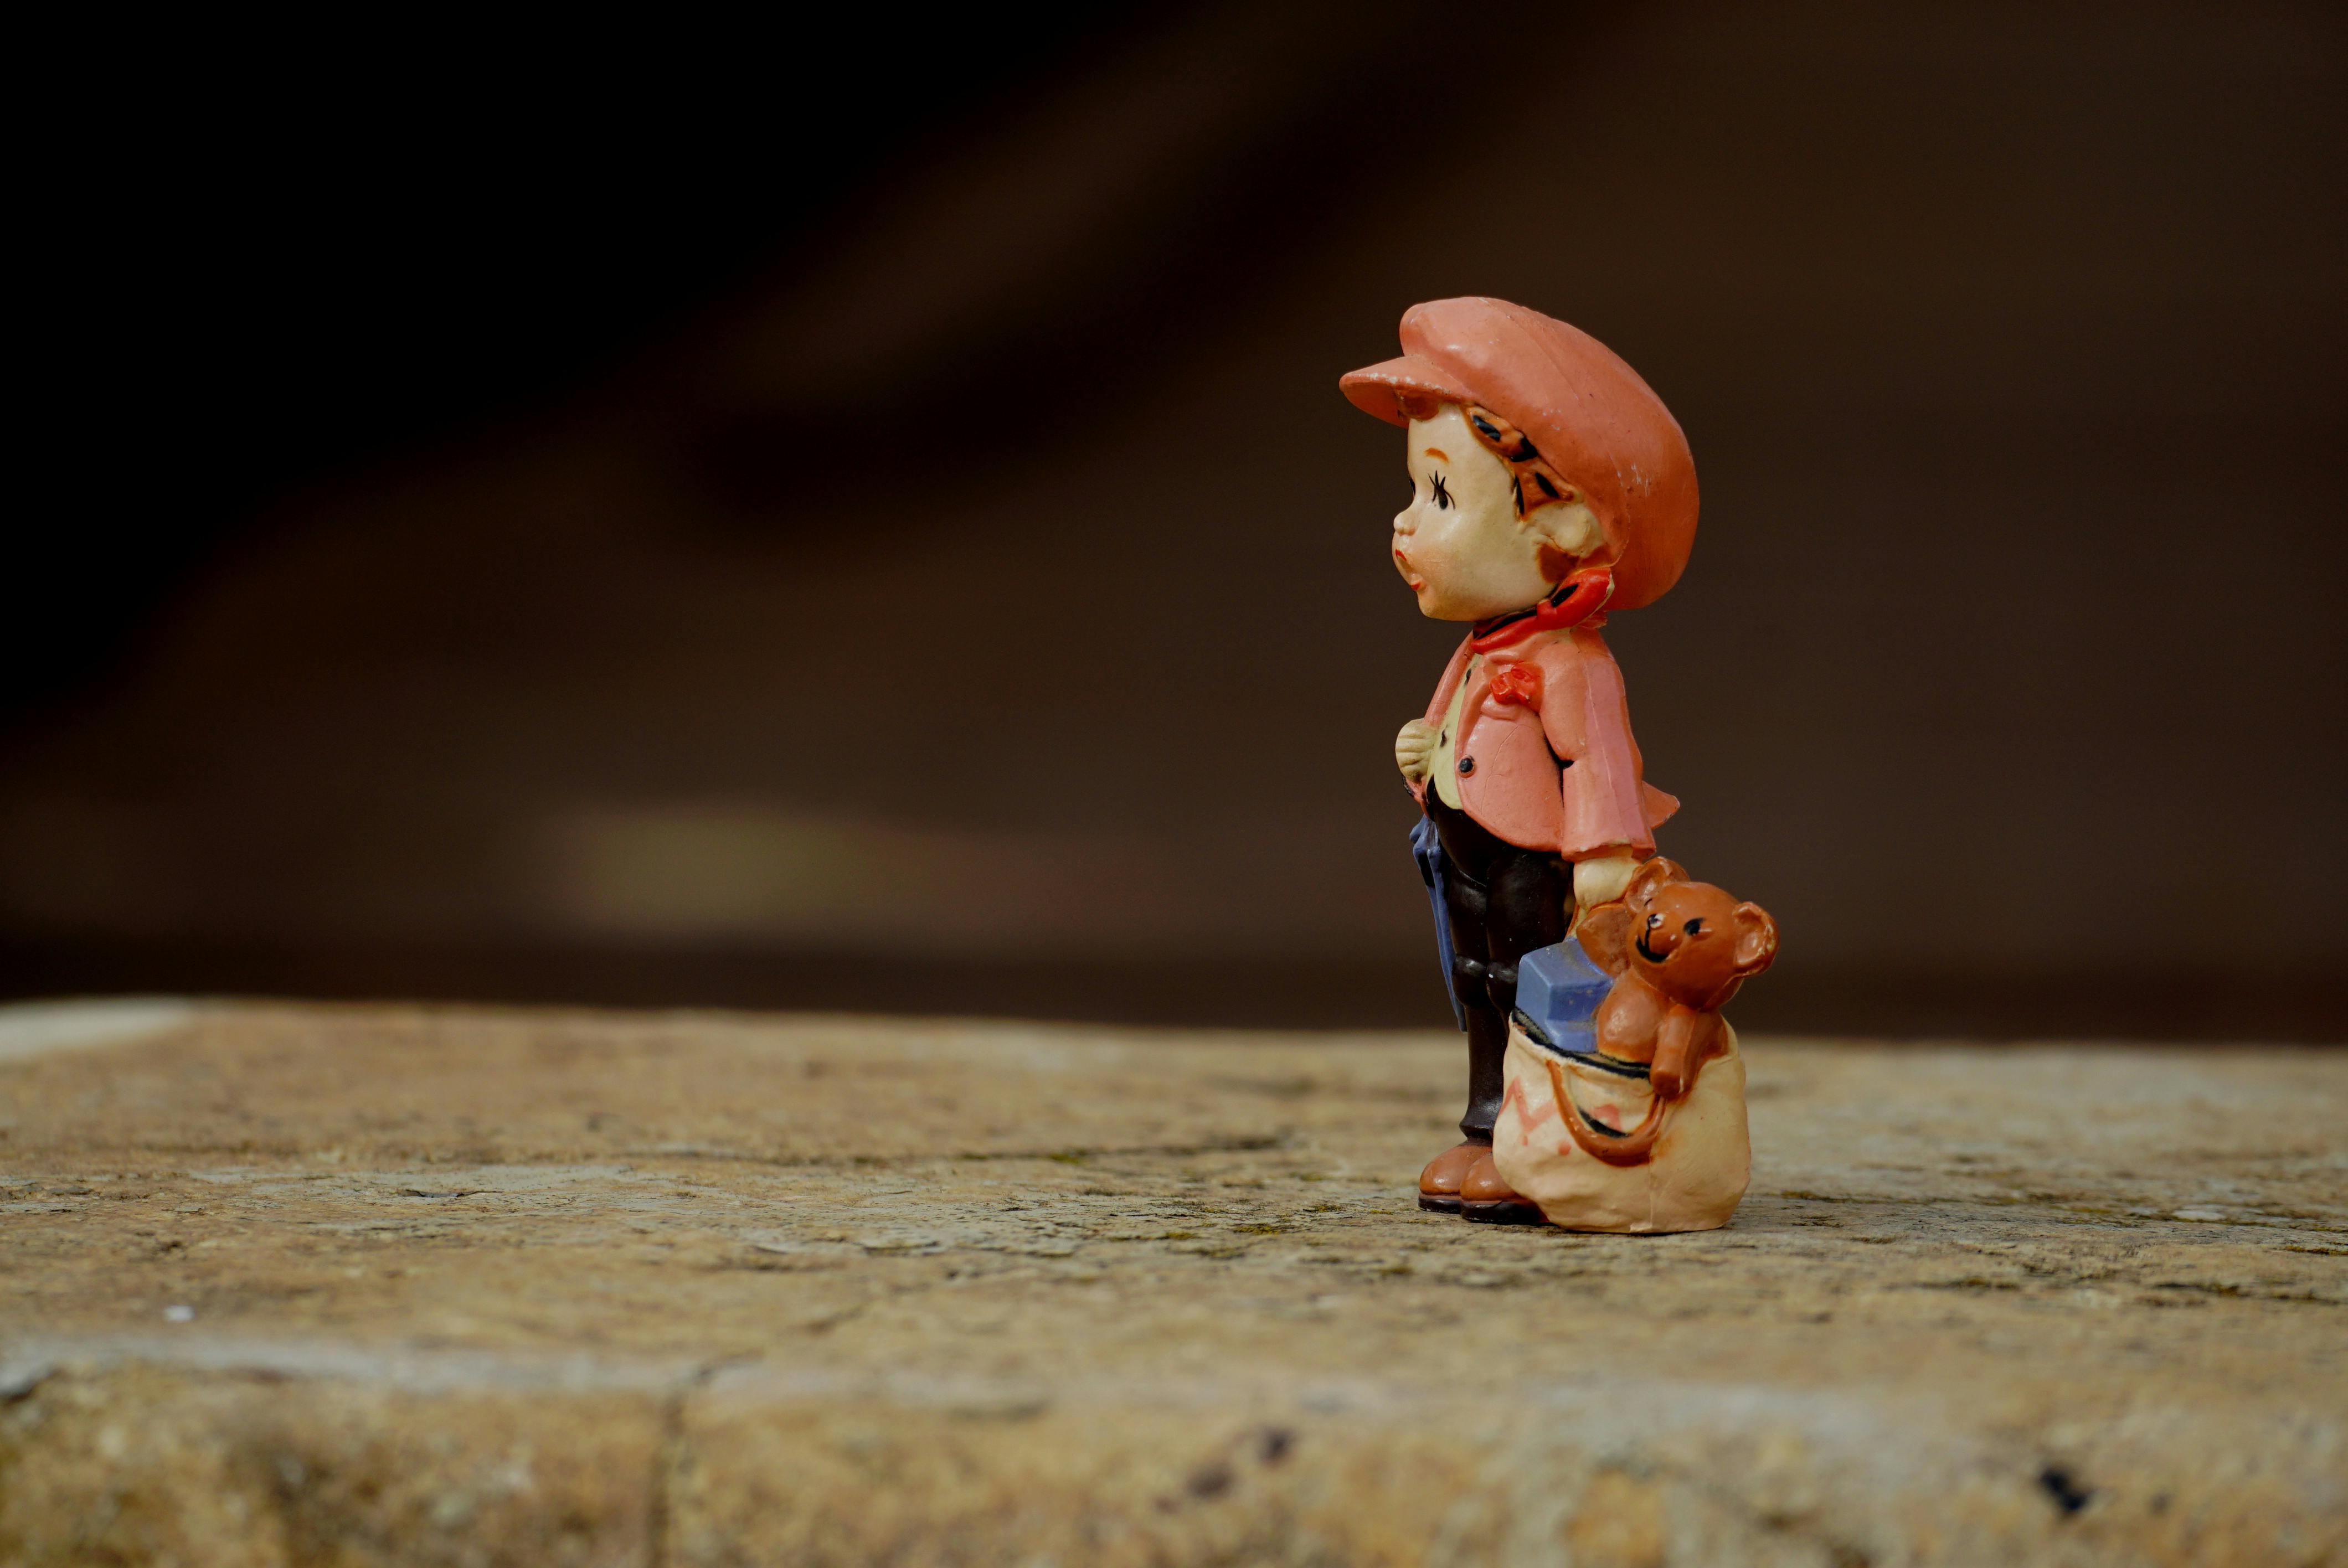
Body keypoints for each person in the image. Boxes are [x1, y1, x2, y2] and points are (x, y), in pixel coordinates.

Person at [1340, 296, 1698, 1219]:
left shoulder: (1573, 668)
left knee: (1532, 987)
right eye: (1416, 491)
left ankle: (1531, 1133)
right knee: (1474, 988)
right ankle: (1482, 1123)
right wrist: (1427, 757)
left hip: (1530, 871)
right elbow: (1472, 747)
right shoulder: (1484, 649)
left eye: (1445, 496)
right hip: (1463, 858)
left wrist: (1608, 863)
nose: (1405, 525)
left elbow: (1600, 769)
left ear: (1567, 534)